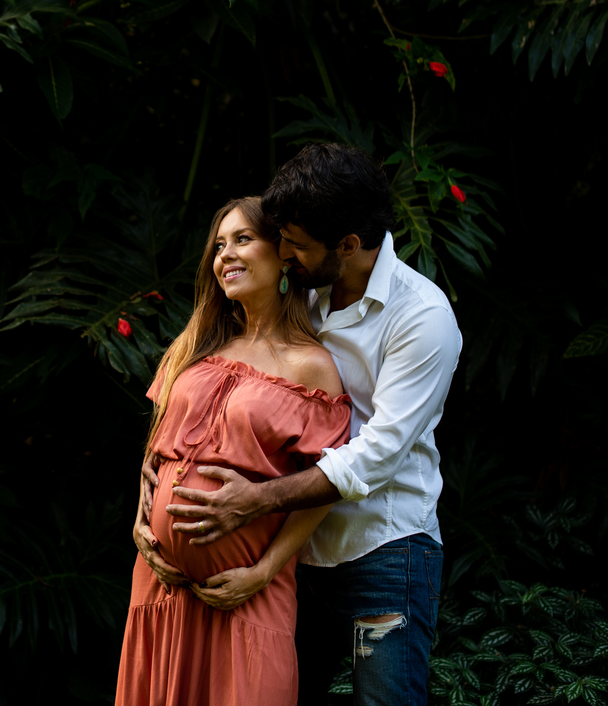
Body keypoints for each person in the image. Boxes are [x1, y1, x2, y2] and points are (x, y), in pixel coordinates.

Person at [149, 144, 462, 705]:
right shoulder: (304, 295)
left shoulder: (423, 318)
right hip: (296, 556)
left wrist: (256, 500)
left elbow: (377, 454)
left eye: (295, 242)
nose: (284, 251)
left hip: (383, 552)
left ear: (347, 246)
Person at [117, 196, 352, 706]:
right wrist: (141, 512)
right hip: (161, 589)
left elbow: (328, 485)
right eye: (219, 245)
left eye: (243, 239)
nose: (226, 255)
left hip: (244, 594)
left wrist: (263, 572)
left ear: (284, 256)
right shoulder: (197, 346)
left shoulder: (311, 367)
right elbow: (161, 443)